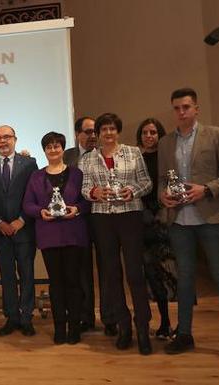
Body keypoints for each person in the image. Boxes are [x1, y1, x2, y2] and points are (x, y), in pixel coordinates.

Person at [159, 88, 219, 365]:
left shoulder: (216, 135)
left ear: (196, 108)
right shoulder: (164, 142)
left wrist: (207, 189)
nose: (181, 112)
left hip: (212, 218)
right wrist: (163, 194)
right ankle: (184, 334)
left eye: (186, 107)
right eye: (176, 108)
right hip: (179, 222)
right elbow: (162, 179)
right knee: (184, 280)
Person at [80, 113, 153, 355]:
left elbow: (146, 183)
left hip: (130, 215)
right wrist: (93, 193)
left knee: (135, 273)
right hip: (102, 218)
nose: (108, 133)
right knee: (111, 274)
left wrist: (131, 191)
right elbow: (83, 188)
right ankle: (124, 327)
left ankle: (142, 327)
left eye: (112, 129)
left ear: (118, 131)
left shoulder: (133, 153)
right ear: (98, 134)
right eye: (104, 130)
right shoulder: (88, 158)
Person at [23, 132, 91, 344]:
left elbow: (87, 201)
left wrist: (76, 209)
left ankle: (75, 326)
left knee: (73, 281)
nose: (53, 150)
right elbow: (27, 204)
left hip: (73, 234)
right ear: (44, 151)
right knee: (56, 283)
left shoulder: (77, 174)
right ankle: (59, 326)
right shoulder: (36, 176)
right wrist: (40, 212)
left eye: (57, 146)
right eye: (49, 147)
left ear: (63, 149)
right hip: (49, 236)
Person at [0, 125, 38, 337]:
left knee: (27, 274)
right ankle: (11, 317)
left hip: (24, 229)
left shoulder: (29, 163)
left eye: (7, 137)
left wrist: (21, 220)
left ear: (15, 139)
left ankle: (26, 316)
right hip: (0, 231)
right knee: (7, 277)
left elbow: (34, 194)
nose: (3, 141)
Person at [63, 116, 112, 334]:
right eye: (88, 131)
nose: (93, 135)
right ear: (77, 134)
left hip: (104, 218)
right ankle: (85, 316)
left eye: (95, 132)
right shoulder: (67, 156)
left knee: (108, 269)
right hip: (77, 220)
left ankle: (110, 317)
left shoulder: (107, 153)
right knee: (81, 271)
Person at [136, 118, 177, 339]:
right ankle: (162, 322)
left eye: (153, 132)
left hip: (165, 221)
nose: (149, 136)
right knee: (150, 274)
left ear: (160, 134)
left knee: (170, 273)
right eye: (145, 132)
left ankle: (176, 322)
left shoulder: (167, 158)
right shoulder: (135, 158)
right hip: (142, 223)